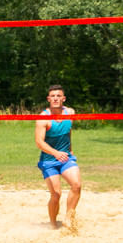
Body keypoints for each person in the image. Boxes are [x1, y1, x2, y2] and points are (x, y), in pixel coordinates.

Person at [35, 84, 82, 232]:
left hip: (66, 158)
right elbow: (39, 142)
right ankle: (53, 224)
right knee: (56, 194)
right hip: (49, 160)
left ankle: (68, 218)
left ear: (63, 98)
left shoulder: (70, 113)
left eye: (58, 96)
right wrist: (55, 153)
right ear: (49, 99)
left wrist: (70, 150)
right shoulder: (43, 118)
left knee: (77, 185)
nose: (55, 98)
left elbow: (68, 134)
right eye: (53, 96)